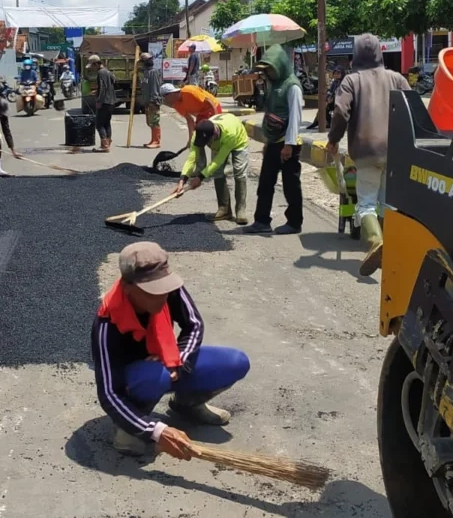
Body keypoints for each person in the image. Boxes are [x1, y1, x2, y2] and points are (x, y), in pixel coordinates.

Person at [92, 241, 250, 456]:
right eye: (152, 291)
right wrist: (155, 430)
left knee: (235, 362)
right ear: (128, 287)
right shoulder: (107, 324)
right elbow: (109, 394)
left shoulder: (169, 289)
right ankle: (132, 427)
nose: (163, 295)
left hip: (168, 365)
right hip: (138, 380)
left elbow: (194, 325)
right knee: (156, 376)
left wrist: (178, 360)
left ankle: (187, 404)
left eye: (165, 288)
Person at [325, 34, 411, 276]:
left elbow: (341, 111)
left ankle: (376, 241)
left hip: (366, 151)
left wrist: (333, 139)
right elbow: (412, 109)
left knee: (366, 203)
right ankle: (389, 250)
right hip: (396, 152)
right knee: (386, 202)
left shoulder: (351, 81)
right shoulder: (397, 78)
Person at [245, 44, 305, 236]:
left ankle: (294, 222)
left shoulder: (292, 86)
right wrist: (267, 143)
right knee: (265, 183)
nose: (268, 72)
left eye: (270, 68)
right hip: (273, 142)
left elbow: (295, 118)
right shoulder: (275, 85)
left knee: (291, 186)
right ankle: (262, 220)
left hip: (287, 144)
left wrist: (289, 145)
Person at [174, 114, 249, 225]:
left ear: (214, 135)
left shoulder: (230, 135)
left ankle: (241, 210)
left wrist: (200, 178)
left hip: (238, 140)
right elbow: (191, 159)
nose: (206, 144)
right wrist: (182, 180)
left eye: (207, 141)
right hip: (219, 143)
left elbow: (217, 161)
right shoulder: (198, 134)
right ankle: (224, 209)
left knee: (239, 172)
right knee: (218, 173)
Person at [159, 82, 223, 147]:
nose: (165, 100)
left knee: (214, 134)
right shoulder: (176, 105)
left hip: (213, 107)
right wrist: (190, 140)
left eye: (164, 97)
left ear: (171, 94)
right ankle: (200, 155)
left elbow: (209, 101)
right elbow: (189, 120)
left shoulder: (188, 91)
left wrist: (216, 119)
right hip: (202, 113)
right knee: (199, 136)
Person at [90, 54, 116, 151]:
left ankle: (104, 146)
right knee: (106, 123)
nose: (92, 68)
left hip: (104, 102)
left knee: (99, 124)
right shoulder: (108, 72)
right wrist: (96, 92)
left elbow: (103, 88)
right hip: (111, 101)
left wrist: (99, 100)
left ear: (96, 64)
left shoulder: (101, 72)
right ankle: (107, 143)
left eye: (92, 66)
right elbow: (113, 81)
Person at [139, 53, 164, 149]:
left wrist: (153, 101)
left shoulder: (153, 72)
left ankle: (156, 141)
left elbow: (154, 88)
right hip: (147, 101)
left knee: (154, 121)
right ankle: (153, 139)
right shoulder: (146, 72)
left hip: (153, 101)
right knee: (150, 122)